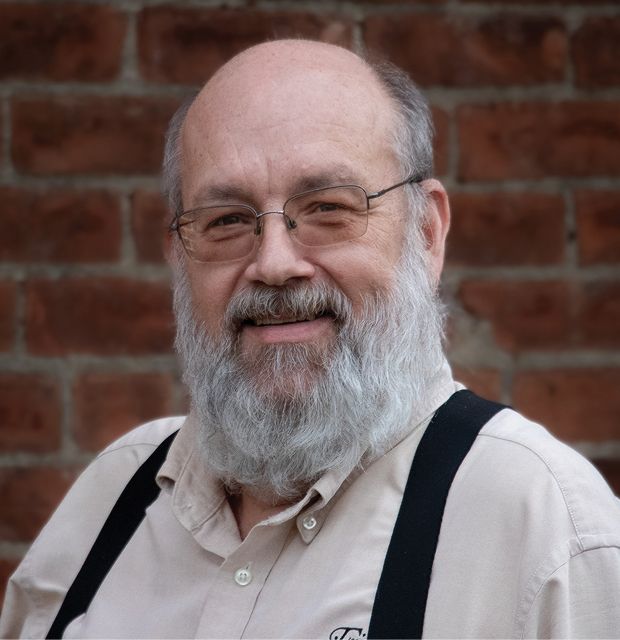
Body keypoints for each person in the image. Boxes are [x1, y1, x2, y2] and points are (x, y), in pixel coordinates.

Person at [1, 39, 619, 639]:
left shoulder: (544, 531)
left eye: (328, 208)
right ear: (178, 257)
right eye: (227, 220)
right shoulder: (114, 495)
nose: (274, 263)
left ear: (426, 233)